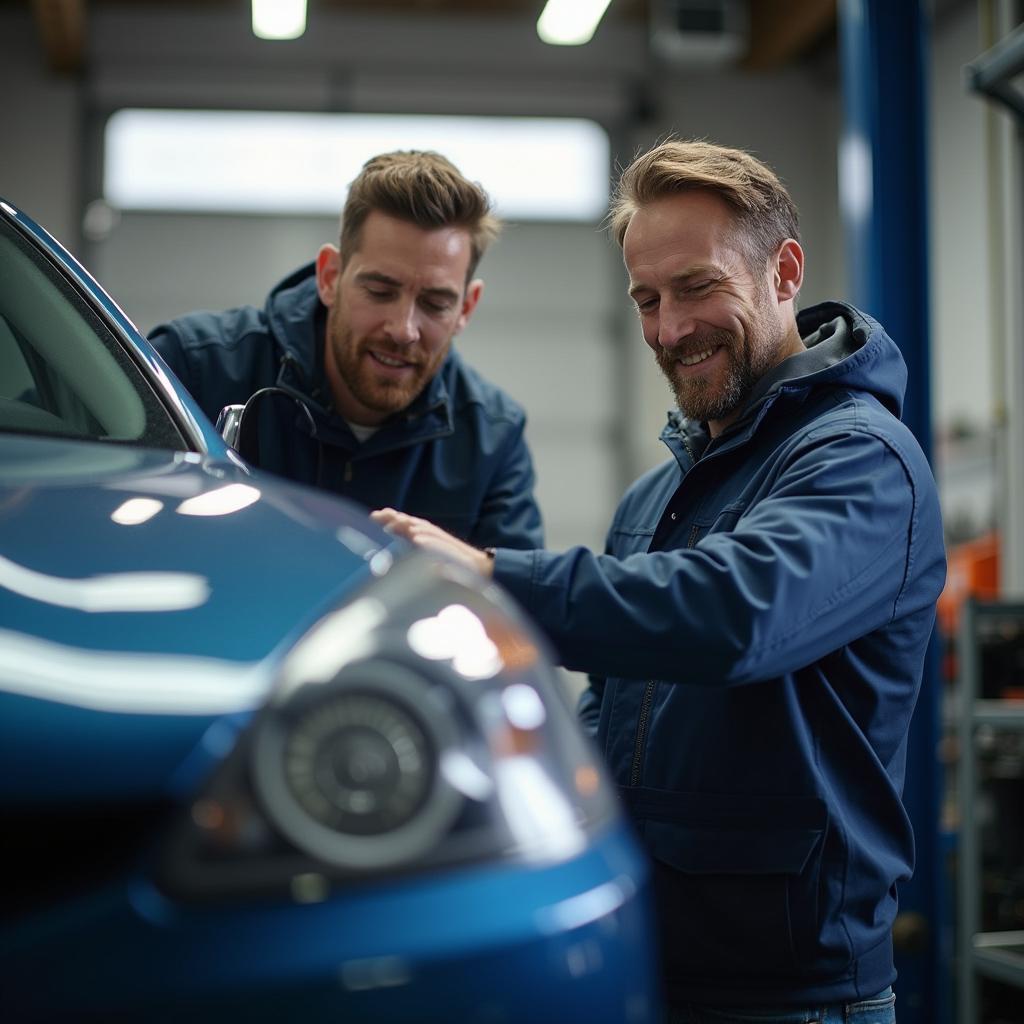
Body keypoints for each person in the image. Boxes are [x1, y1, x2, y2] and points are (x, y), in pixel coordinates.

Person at [373, 139, 947, 1022]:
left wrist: (493, 580)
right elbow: (610, 714)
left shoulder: (861, 463)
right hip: (643, 970)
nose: (670, 329)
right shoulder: (657, 496)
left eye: (696, 287)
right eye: (647, 298)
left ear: (783, 270)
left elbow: (735, 612)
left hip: (795, 998)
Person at [149, 149, 543, 550]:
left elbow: (511, 606)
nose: (403, 330)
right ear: (330, 276)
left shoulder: (492, 438)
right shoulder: (188, 369)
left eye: (435, 303)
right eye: (380, 291)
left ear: (466, 308)